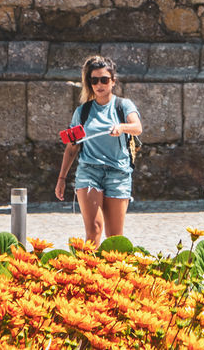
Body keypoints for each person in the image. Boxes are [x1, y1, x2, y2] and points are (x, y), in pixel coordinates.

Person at [55, 55, 142, 243]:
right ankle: (89, 270)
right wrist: (61, 178)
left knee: (114, 238)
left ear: (113, 81)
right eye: (94, 80)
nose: (99, 84)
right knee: (94, 231)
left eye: (104, 79)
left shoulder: (123, 106)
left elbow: (137, 127)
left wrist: (122, 127)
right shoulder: (83, 112)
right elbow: (72, 148)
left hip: (118, 172)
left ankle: (114, 272)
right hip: (89, 171)